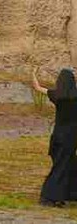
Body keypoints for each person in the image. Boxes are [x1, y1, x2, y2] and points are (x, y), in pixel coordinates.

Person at [32, 67, 77, 207]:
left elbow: (37, 87)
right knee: (63, 167)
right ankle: (48, 197)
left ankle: (62, 196)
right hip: (72, 138)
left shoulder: (57, 95)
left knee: (65, 167)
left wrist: (33, 74)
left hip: (58, 137)